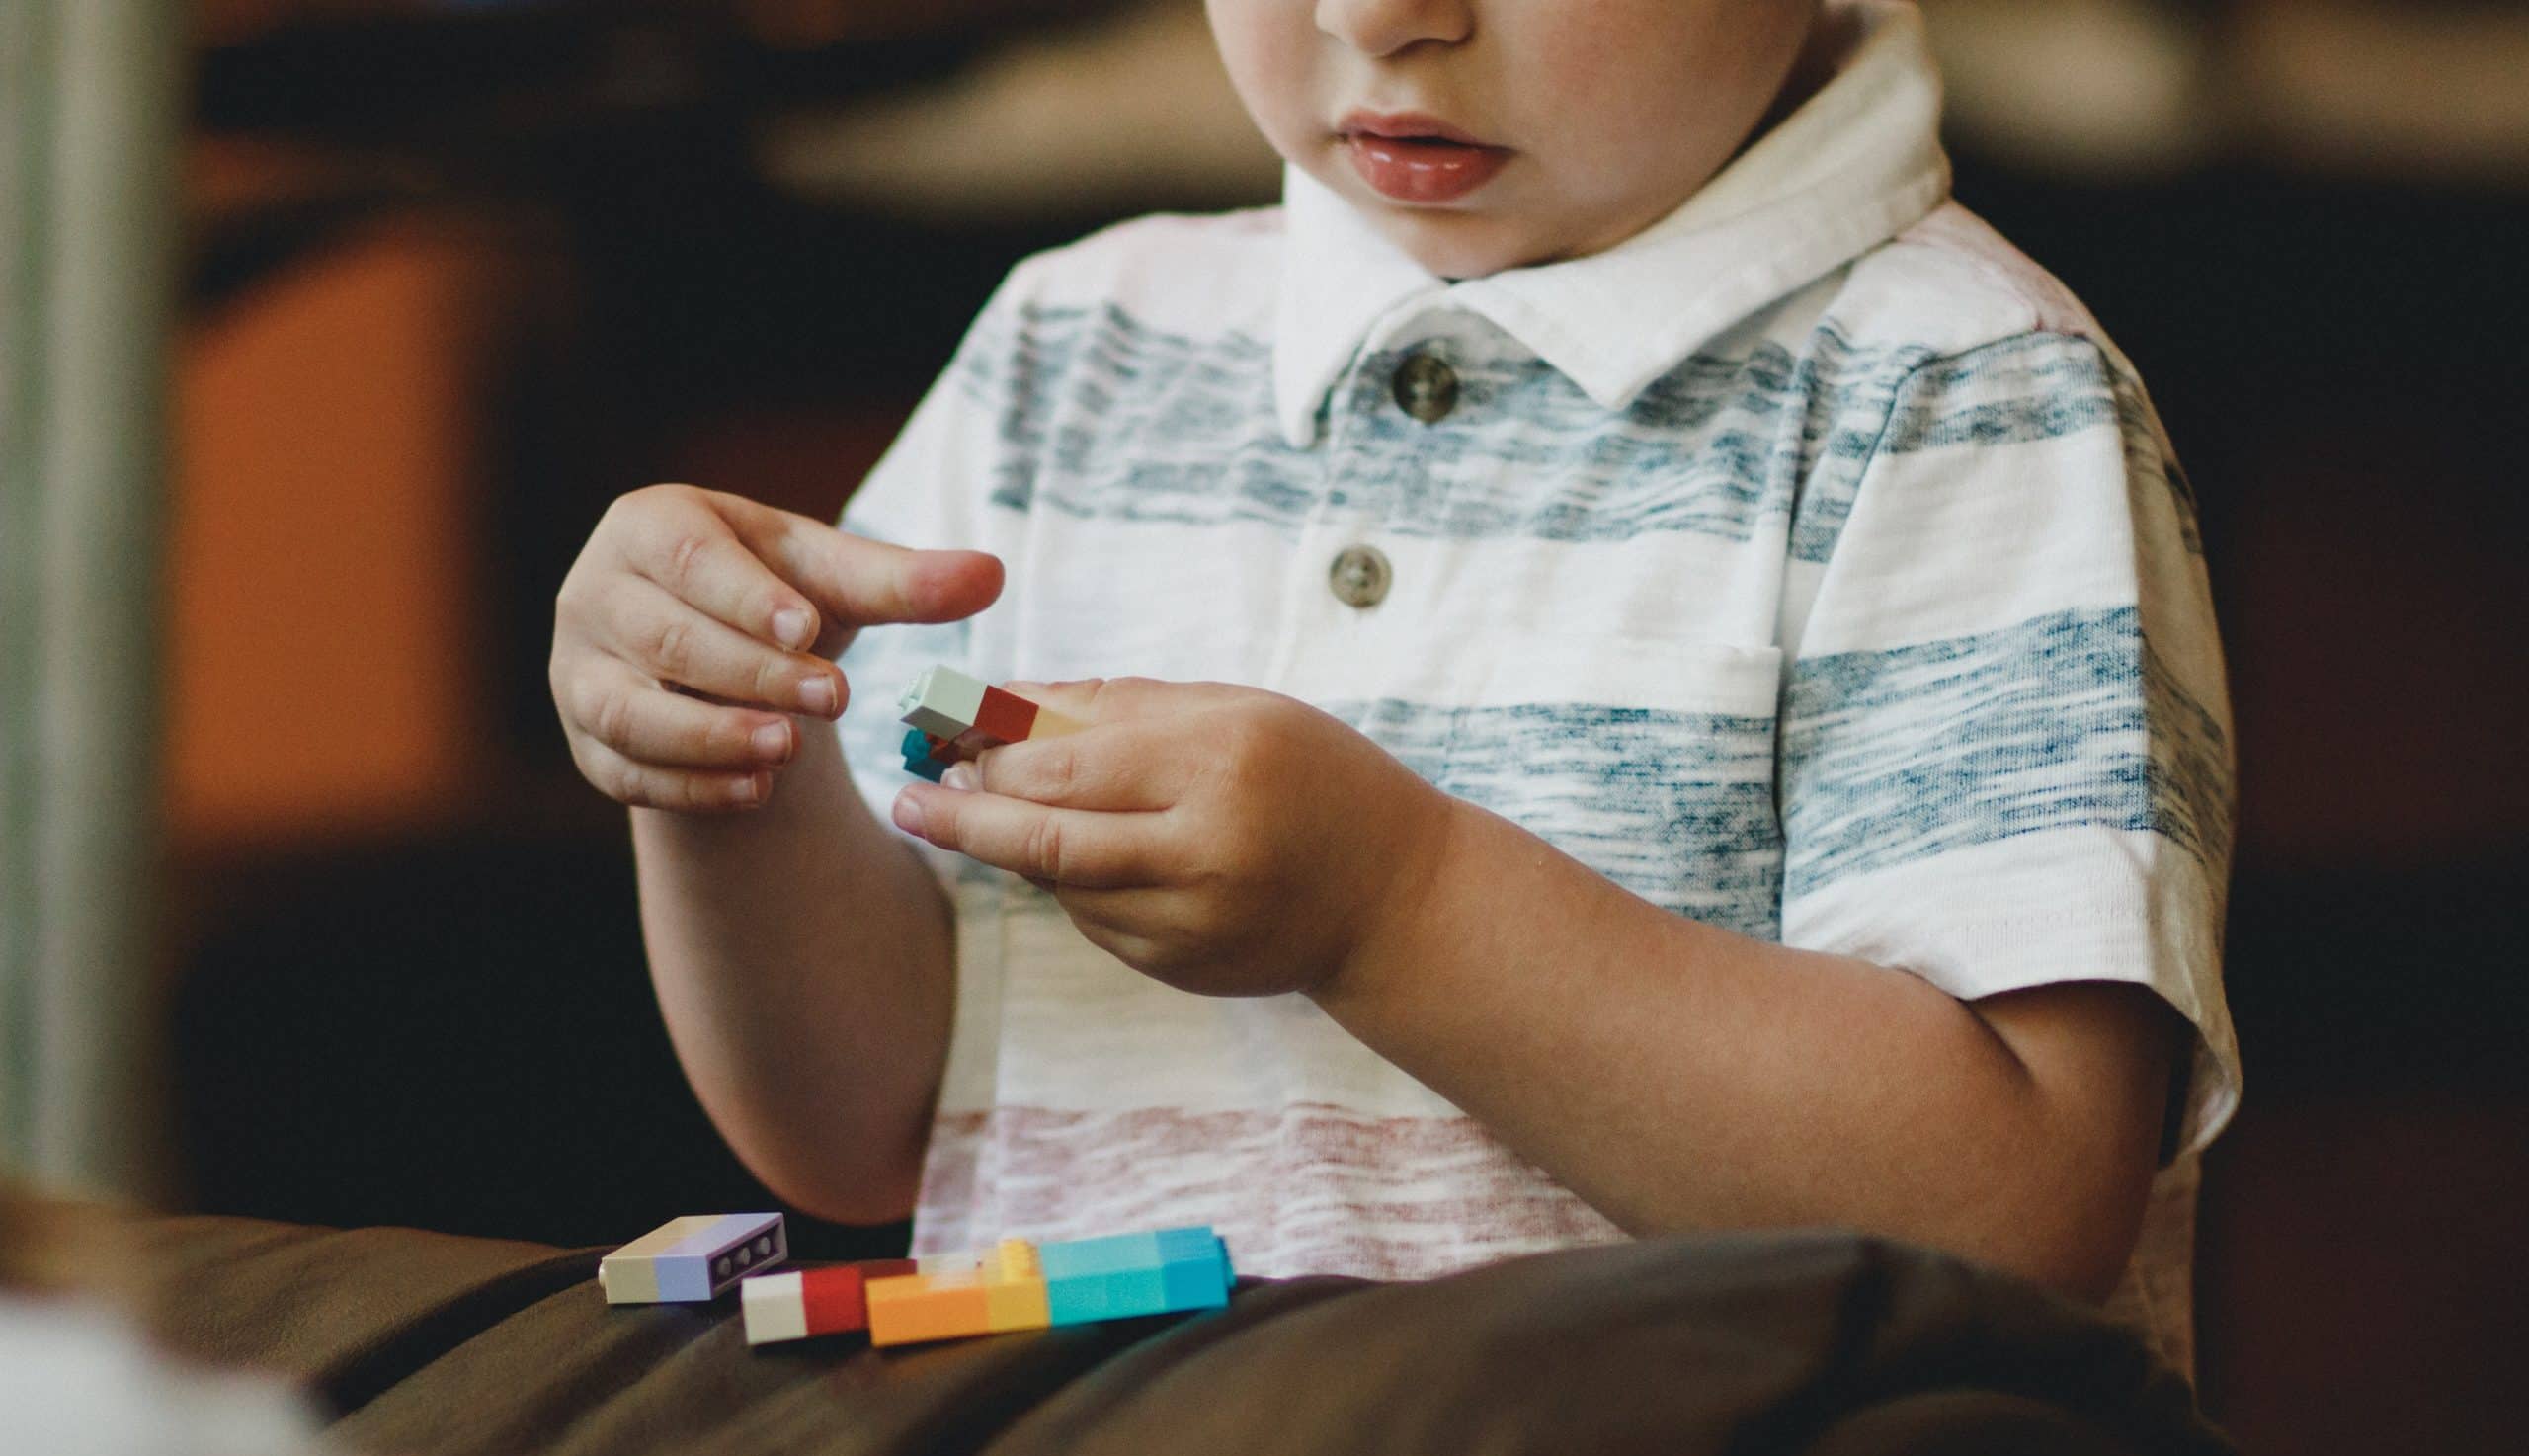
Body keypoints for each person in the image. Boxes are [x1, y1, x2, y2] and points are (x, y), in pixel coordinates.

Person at [547, 0, 2237, 1373]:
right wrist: (729, 767)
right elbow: (867, 1127)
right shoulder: (1076, 346)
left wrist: (1398, 907)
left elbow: (2016, 1210)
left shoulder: (1961, 395)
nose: (1379, 19)